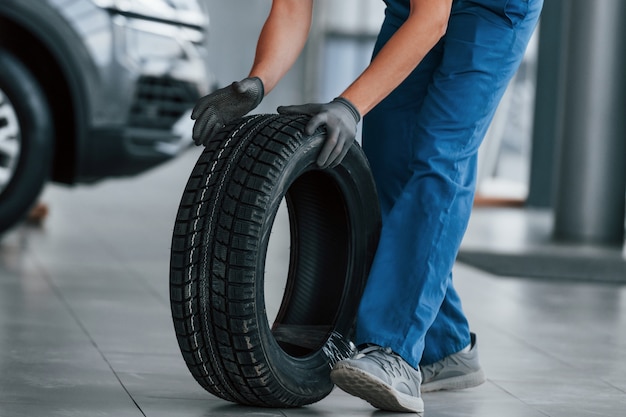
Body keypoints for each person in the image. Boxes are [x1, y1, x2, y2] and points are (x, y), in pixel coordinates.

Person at [191, 0, 543, 414]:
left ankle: (394, 351)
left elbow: (431, 20)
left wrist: (348, 105)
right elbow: (290, 9)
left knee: (440, 158)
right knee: (389, 162)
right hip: (412, 7)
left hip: (492, 9)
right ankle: (445, 347)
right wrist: (257, 81)